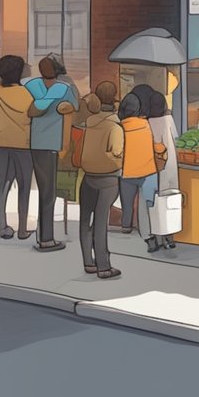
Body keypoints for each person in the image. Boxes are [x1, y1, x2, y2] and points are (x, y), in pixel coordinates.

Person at [25, 55, 78, 251]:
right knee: (48, 193)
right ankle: (46, 238)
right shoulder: (64, 89)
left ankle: (42, 235)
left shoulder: (31, 86)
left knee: (41, 190)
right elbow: (76, 108)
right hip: (53, 145)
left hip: (33, 142)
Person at [80, 82, 125, 280]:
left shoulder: (88, 122)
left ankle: (88, 263)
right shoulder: (114, 126)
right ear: (115, 98)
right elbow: (117, 153)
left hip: (87, 175)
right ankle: (103, 266)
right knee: (100, 221)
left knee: (84, 220)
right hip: (108, 178)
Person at [0, 55, 36, 240]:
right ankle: (22, 229)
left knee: (1, 187)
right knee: (24, 186)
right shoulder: (27, 94)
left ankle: (1, 226)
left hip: (0, 144)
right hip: (23, 145)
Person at [118, 89, 158, 236]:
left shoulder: (119, 127)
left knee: (127, 202)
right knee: (149, 201)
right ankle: (150, 227)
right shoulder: (146, 125)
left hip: (127, 172)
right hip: (148, 170)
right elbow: (156, 146)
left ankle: (126, 225)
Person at [145, 89, 179, 251]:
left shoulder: (147, 122)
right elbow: (177, 138)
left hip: (152, 167)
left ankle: (155, 238)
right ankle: (169, 238)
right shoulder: (168, 120)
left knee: (153, 203)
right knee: (170, 202)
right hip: (170, 166)